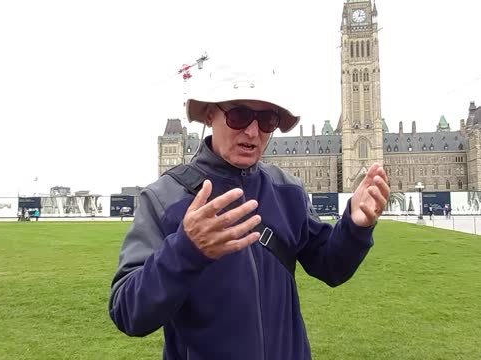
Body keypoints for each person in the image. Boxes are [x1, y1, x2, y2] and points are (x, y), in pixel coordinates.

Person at [107, 64, 390, 359]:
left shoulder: (287, 189)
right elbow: (128, 312)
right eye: (239, 115)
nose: (253, 131)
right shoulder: (165, 197)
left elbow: (331, 266)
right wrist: (185, 250)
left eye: (266, 119)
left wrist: (356, 226)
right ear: (209, 114)